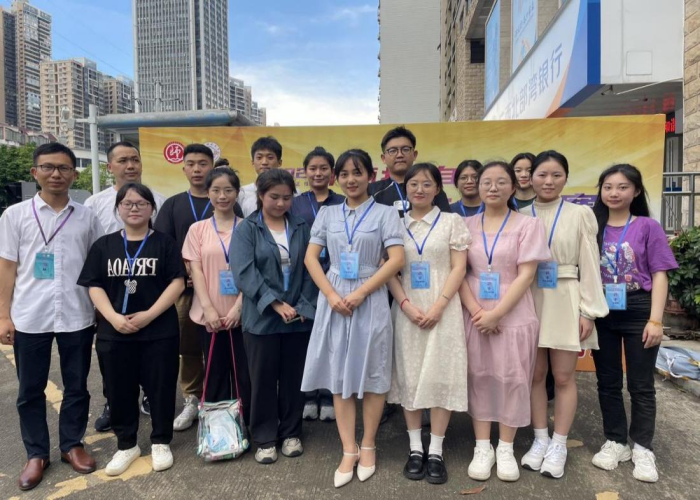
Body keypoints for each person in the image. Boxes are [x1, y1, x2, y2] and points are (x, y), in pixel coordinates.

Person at [0, 143, 103, 491]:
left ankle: (72, 444)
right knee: (30, 389)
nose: (56, 174)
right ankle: (36, 454)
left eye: (63, 168)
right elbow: (7, 267)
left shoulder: (87, 217)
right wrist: (3, 315)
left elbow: (96, 266)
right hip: (30, 315)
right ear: (35, 173)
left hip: (77, 313)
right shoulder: (14, 215)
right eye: (48, 167)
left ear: (74, 174)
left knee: (77, 385)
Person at [301, 149, 406, 488]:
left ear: (370, 175)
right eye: (344, 174)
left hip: (370, 298)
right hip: (333, 298)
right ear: (337, 178)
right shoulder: (327, 213)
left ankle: (369, 444)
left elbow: (396, 259)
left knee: (373, 372)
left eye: (357, 172)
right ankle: (348, 448)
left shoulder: (386, 213)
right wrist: (331, 295)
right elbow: (311, 258)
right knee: (339, 374)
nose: (350, 179)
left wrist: (361, 293)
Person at [78, 183, 186, 476]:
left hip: (158, 331)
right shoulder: (104, 245)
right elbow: (94, 284)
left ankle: (161, 441)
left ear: (152, 208)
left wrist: (149, 315)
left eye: (141, 203)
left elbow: (177, 282)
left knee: (161, 387)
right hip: (115, 332)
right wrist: (112, 317)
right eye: (127, 203)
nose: (134, 208)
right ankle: (126, 444)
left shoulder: (165, 243)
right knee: (118, 389)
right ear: (118, 209)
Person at [458, 161, 550, 483]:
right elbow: (459, 272)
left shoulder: (528, 225)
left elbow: (527, 274)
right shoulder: (464, 225)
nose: (493, 187)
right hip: (474, 311)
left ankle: (506, 447)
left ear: (513, 186)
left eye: (501, 181)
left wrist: (496, 314)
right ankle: (482, 446)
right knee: (479, 375)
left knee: (513, 377)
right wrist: (476, 312)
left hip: (514, 312)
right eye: (486, 182)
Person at [519, 151, 609, 479]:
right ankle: (540, 438)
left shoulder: (579, 214)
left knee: (564, 376)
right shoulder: (520, 215)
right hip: (528, 297)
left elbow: (590, 263)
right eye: (542, 174)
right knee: (535, 375)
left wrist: (588, 311)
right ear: (530, 178)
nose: (548, 181)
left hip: (566, 295)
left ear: (566, 178)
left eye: (556, 175)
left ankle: (559, 443)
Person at [590, 164, 677, 483]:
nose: (614, 193)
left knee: (641, 384)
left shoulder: (647, 226)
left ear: (636, 191)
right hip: (602, 310)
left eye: (623, 187)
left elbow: (659, 274)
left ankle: (642, 446)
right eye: (608, 186)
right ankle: (615, 441)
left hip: (639, 308)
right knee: (607, 381)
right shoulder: (593, 226)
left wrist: (656, 319)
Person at [386, 163, 471, 485]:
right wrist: (405, 305)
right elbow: (390, 271)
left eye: (426, 184)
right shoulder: (395, 224)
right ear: (405, 188)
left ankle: (435, 450)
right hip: (407, 308)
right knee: (409, 374)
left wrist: (439, 306)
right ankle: (415, 448)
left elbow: (458, 267)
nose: (419, 189)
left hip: (443, 308)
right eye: (413, 184)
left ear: (437, 189)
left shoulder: (451, 222)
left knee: (440, 374)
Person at [230, 169, 317, 465]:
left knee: (293, 379)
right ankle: (265, 437)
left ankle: (291, 432)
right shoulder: (247, 229)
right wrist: (275, 303)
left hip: (298, 319)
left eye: (286, 197)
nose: (281, 203)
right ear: (260, 196)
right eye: (274, 197)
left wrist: (304, 307)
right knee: (263, 379)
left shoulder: (302, 226)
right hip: (262, 319)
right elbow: (244, 272)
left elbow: (310, 268)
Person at [155, 144, 243, 432]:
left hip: (231, 295)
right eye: (190, 163)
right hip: (185, 291)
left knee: (235, 358)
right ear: (183, 168)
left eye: (202, 163)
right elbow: (164, 246)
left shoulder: (237, 214)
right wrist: (185, 274)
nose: (196, 169)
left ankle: (239, 412)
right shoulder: (174, 204)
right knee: (190, 347)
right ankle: (193, 399)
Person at [85, 141, 166, 427]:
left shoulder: (159, 199)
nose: (130, 165)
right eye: (122, 160)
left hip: (150, 288)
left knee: (151, 351)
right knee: (110, 352)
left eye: (135, 159)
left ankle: (149, 396)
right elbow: (91, 249)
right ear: (110, 166)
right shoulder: (94, 204)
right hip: (110, 292)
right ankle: (113, 401)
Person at [181, 167, 251, 427]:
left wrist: (239, 308)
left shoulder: (248, 228)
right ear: (208, 193)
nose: (222, 196)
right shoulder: (197, 230)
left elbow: (254, 270)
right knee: (215, 372)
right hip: (208, 315)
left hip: (243, 314)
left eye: (228, 190)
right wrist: (208, 309)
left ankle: (248, 425)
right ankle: (219, 432)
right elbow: (196, 271)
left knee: (245, 373)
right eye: (216, 190)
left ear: (237, 193)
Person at [290, 146, 345, 423]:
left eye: (324, 168)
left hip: (337, 277)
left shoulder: (342, 202)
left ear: (332, 173)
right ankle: (309, 395)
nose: (318, 173)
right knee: (307, 339)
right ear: (305, 172)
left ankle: (328, 395)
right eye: (312, 168)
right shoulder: (295, 203)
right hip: (304, 277)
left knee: (333, 338)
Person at [370, 126, 451, 216]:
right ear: (383, 158)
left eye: (405, 149)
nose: (400, 155)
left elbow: (445, 221)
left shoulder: (431, 190)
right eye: (392, 151)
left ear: (414, 154)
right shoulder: (372, 191)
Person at [239, 136, 283, 217]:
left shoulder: (290, 192)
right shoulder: (242, 193)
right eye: (259, 157)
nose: (264, 162)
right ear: (253, 162)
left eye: (270, 158)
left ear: (279, 162)